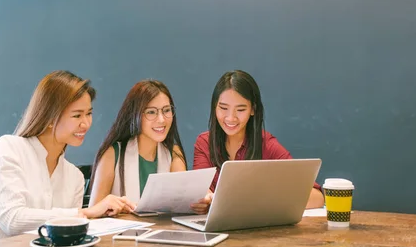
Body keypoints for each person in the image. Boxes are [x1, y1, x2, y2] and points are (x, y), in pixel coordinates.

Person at [0, 70, 135, 247]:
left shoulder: (74, 176)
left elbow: (62, 235)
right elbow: (11, 220)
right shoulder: (8, 148)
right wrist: (84, 213)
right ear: (49, 118)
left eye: (89, 113)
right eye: (77, 115)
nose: (86, 123)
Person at [191, 70, 324, 214]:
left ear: (252, 110)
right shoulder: (204, 143)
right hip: (215, 229)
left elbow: (317, 197)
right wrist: (204, 200)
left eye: (240, 109)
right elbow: (201, 190)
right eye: (223, 108)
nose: (230, 118)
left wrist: (263, 199)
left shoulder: (267, 145)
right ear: (214, 107)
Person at [89, 80, 187, 207]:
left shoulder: (174, 153)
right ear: (135, 114)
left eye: (166, 110)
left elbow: (182, 204)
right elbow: (93, 212)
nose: (161, 119)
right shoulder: (112, 154)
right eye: (151, 112)